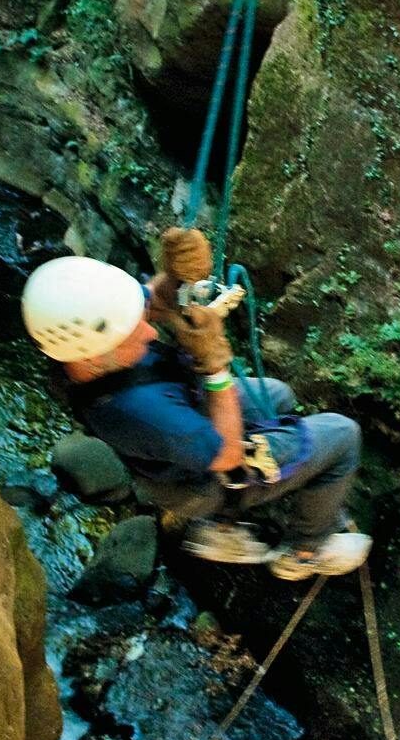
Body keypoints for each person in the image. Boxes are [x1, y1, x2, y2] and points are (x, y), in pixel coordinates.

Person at [22, 230, 372, 579]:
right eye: (133, 332)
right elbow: (228, 455)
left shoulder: (84, 346)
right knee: (342, 436)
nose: (150, 331)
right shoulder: (138, 411)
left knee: (278, 395)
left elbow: (152, 301)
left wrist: (176, 276)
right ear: (92, 357)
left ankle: (234, 519)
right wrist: (215, 367)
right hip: (201, 483)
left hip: (184, 420)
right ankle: (303, 551)